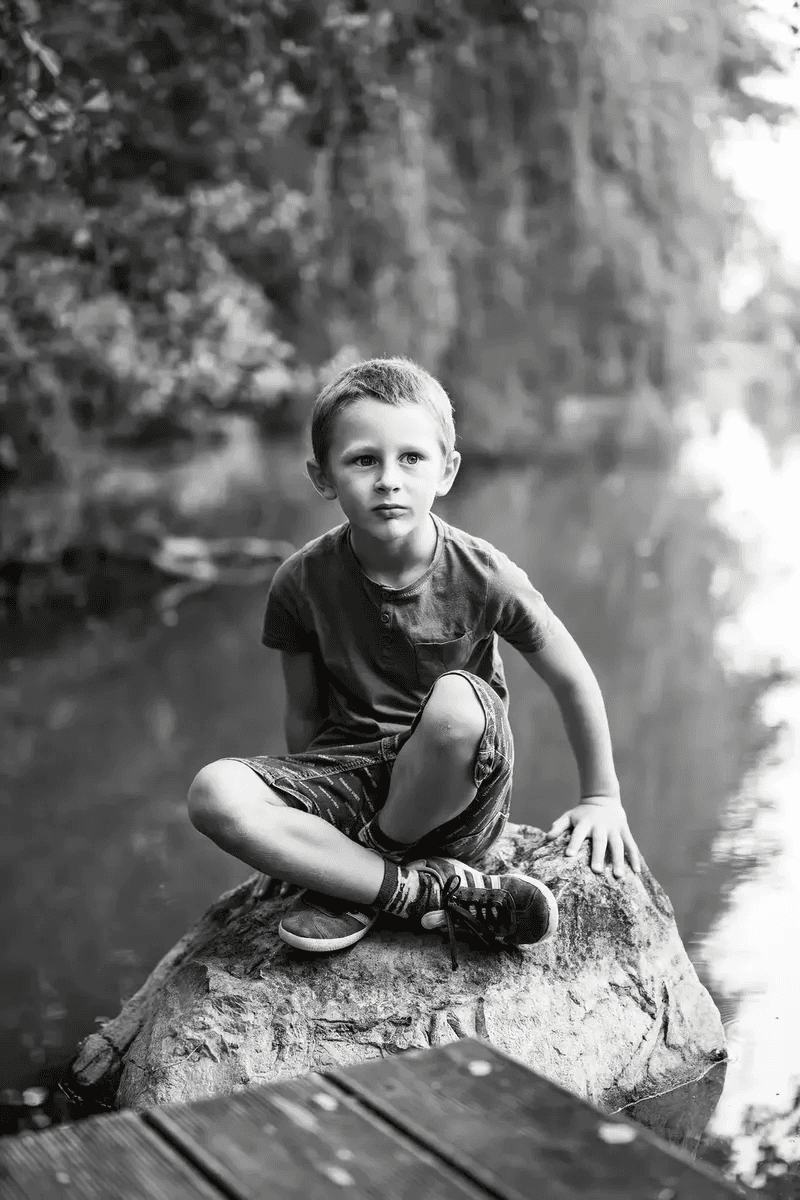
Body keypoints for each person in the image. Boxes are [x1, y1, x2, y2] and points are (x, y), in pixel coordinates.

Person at [188, 357, 641, 970]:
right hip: (350, 780)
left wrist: (603, 796)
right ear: (322, 477)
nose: (388, 480)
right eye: (362, 459)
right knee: (214, 792)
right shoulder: (299, 581)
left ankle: (356, 874)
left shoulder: (485, 574)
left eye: (411, 458)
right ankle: (412, 891)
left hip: (457, 795)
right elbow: (304, 715)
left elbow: (573, 677)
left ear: (447, 470)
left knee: (458, 702)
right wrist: (294, 832)